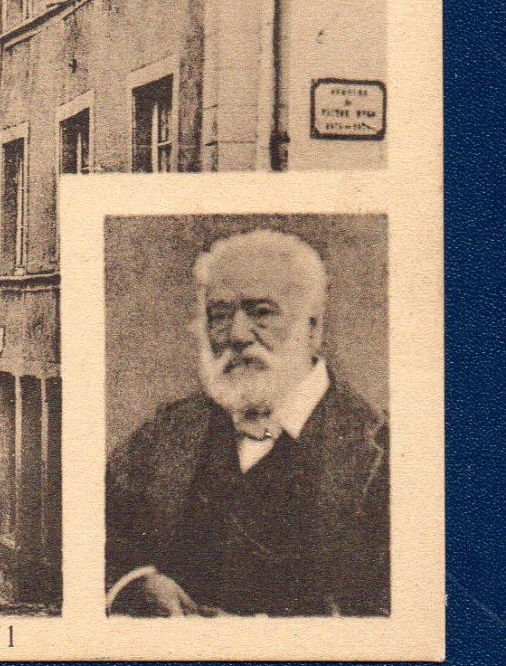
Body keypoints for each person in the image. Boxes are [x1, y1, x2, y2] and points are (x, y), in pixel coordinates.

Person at [105, 228, 390, 617]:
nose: (237, 335)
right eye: (219, 316)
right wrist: (137, 582)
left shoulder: (382, 452)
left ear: (313, 329)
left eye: (262, 313)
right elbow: (96, 531)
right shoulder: (168, 432)